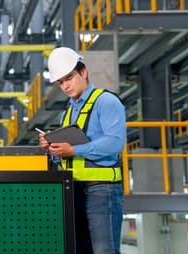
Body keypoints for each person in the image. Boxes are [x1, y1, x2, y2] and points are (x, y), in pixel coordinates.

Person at [38, 47, 126, 254]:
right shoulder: (67, 113)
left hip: (102, 191)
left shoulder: (107, 102)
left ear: (83, 72)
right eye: (60, 82)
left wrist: (74, 149)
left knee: (105, 251)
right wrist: (52, 148)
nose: (65, 86)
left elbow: (115, 142)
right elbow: (67, 157)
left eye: (69, 78)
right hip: (73, 191)